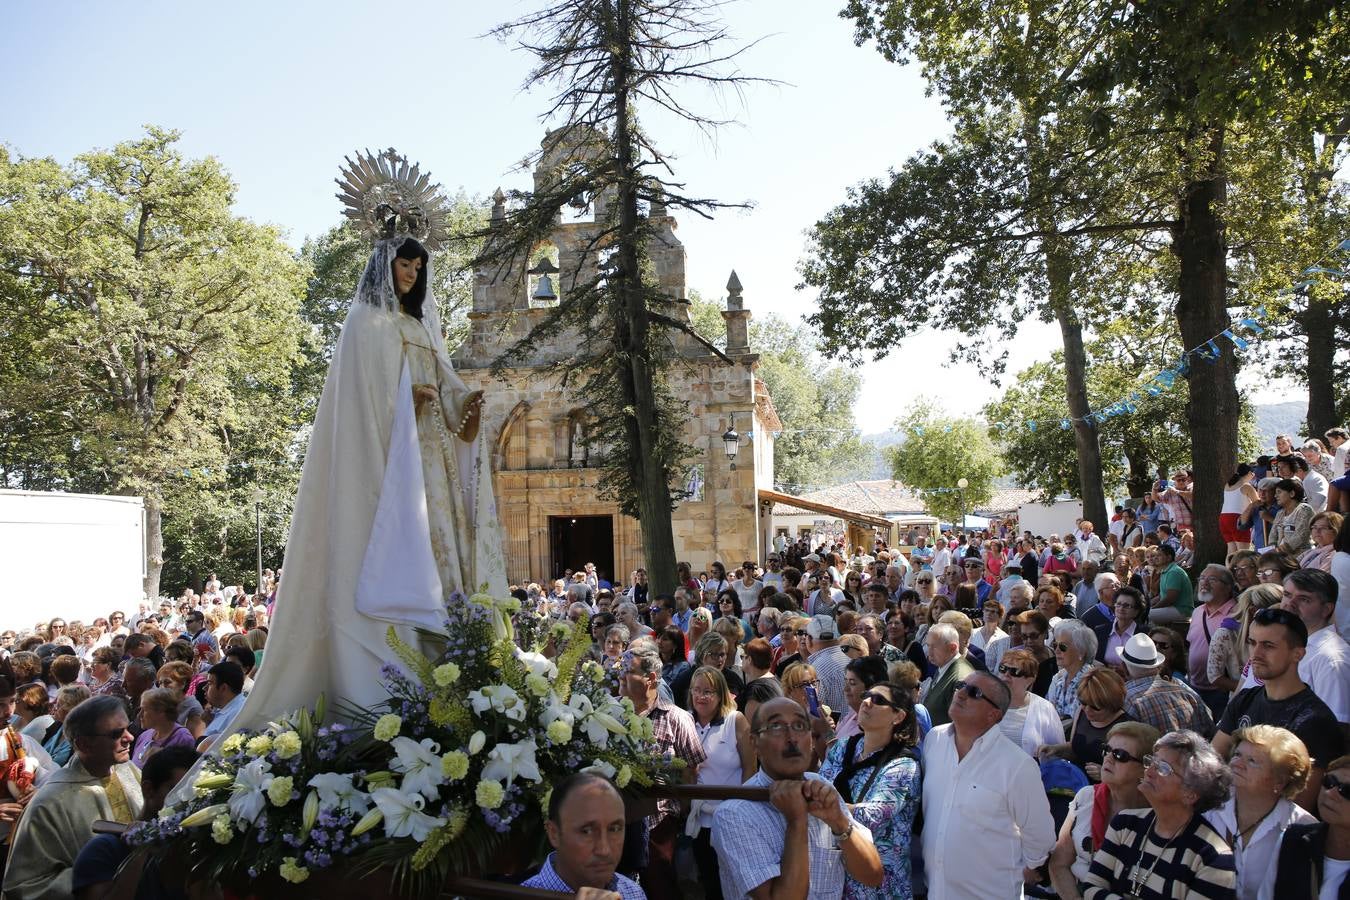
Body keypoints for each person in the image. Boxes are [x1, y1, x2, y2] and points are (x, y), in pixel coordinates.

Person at [220, 235, 506, 740]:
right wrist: (406, 399)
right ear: (385, 264)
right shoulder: (364, 324)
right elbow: (363, 399)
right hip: (387, 457)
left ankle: (447, 646)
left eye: (419, 265)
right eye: (404, 263)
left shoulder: (420, 324)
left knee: (445, 548)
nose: (413, 272)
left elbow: (445, 391)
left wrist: (464, 406)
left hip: (430, 462)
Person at [711, 697, 884, 899]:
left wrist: (839, 822)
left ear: (810, 738)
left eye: (800, 726)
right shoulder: (735, 815)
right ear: (754, 742)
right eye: (776, 726)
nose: (792, 737)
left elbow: (873, 876)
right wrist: (797, 821)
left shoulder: (821, 787)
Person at [922, 670, 1055, 898]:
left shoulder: (1017, 766)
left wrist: (1022, 870)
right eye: (960, 685)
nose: (960, 693)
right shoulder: (934, 740)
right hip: (935, 889)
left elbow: (1040, 838)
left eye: (973, 692)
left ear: (993, 714)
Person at [4, 696, 144, 900]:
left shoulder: (127, 769)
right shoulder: (50, 802)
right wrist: (93, 880)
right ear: (84, 744)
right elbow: (24, 885)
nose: (130, 737)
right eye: (116, 733)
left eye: (127, 728)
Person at [1213, 608, 1344, 814]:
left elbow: (1298, 808)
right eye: (1252, 643)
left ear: (1298, 654)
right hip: (1226, 816)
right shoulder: (1245, 700)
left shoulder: (1315, 720)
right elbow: (1212, 761)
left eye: (1268, 646)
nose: (1255, 654)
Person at [1081, 730, 1235, 898]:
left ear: (1190, 793)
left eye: (1163, 768)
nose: (1148, 772)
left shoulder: (1213, 858)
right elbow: (1091, 887)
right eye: (1152, 762)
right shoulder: (1125, 823)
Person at [819, 680, 921, 899]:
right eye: (867, 695)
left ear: (898, 716)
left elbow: (872, 816)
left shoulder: (903, 765)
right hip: (836, 876)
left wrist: (824, 807)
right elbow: (820, 788)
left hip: (879, 886)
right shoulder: (842, 747)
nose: (866, 702)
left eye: (878, 700)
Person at [621, 640, 704, 900]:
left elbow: (691, 772)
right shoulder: (609, 711)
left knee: (661, 890)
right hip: (616, 823)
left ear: (651, 678)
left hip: (659, 826)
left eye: (628, 670)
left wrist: (679, 820)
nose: (620, 675)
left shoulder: (677, 718)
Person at [68, 745, 199, 900]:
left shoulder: (194, 852)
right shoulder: (104, 850)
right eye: (179, 791)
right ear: (149, 790)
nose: (189, 801)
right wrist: (138, 854)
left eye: (198, 793)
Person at [1203, 725, 1316, 900]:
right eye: (1237, 755)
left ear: (1280, 780)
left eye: (1252, 761)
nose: (1236, 764)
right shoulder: (1209, 809)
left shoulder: (1303, 828)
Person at [1048, 721, 1159, 900]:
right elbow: (1059, 864)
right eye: (1107, 749)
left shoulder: (1157, 815)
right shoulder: (1086, 797)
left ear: (1145, 769)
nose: (1108, 758)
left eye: (1120, 755)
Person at [687, 666, 755, 900]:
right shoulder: (686, 722)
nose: (701, 696)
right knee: (709, 882)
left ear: (721, 694)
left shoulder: (735, 721)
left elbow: (750, 768)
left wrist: (742, 809)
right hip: (699, 820)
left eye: (708, 691)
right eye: (696, 690)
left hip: (731, 819)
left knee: (734, 882)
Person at [521, 773, 646, 898]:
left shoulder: (632, 892)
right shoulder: (519, 896)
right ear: (554, 833)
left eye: (614, 829)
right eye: (587, 831)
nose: (604, 850)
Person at [1283, 568, 1350, 723]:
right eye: (1287, 595)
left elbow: (1336, 728)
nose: (1290, 604)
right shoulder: (1293, 643)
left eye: (1304, 599)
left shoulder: (1331, 659)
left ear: (1326, 609)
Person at [1190, 563, 1240, 723]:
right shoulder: (1197, 612)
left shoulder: (1237, 614)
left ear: (1228, 587)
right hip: (1195, 688)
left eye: (1212, 580)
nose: (1204, 583)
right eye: (1202, 578)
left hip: (1223, 693)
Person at [996, 648, 1066, 756]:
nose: (1006, 675)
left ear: (1030, 679)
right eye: (1003, 668)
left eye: (1015, 671)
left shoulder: (1045, 709)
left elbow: (1058, 752)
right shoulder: (983, 704)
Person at [920, 622, 974, 729]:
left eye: (934, 647)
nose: (929, 652)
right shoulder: (943, 665)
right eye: (928, 645)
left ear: (952, 648)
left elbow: (961, 724)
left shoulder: (961, 677)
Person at [1047, 619, 1100, 722]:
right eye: (1055, 645)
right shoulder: (1058, 679)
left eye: (1062, 646)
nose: (1056, 650)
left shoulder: (1092, 682)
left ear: (1081, 651)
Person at [130, 688, 196, 768]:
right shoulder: (143, 736)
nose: (139, 715)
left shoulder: (183, 738)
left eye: (144, 710)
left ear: (161, 711)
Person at [835, 656, 889, 741]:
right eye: (846, 682)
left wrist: (826, 732)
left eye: (852, 683)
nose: (845, 689)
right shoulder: (853, 714)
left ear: (871, 688)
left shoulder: (874, 726)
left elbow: (839, 753)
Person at [197, 661, 246, 752]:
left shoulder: (237, 714)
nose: (204, 688)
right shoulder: (222, 709)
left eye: (210, 683)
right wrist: (208, 723)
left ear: (223, 688)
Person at [1148, 543, 1194, 626]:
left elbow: (1170, 598)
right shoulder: (1165, 571)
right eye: (1155, 555)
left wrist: (1153, 608)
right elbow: (1162, 595)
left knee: (1147, 615)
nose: (1155, 558)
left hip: (1181, 610)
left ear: (1168, 557)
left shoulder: (1174, 572)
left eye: (1159, 555)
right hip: (1172, 608)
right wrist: (1148, 603)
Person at [1223, 465, 1261, 555]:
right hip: (1237, 518)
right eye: (1253, 474)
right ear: (1249, 473)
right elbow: (1257, 502)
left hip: (1223, 518)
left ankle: (1229, 568)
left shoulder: (1228, 485)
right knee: (1242, 553)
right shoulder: (1246, 486)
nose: (1253, 476)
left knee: (1231, 551)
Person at [1272, 478, 1316, 555]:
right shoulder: (1280, 513)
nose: (1275, 496)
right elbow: (1273, 535)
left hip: (1302, 556)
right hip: (1281, 557)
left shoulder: (1304, 509)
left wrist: (1280, 550)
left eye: (1279, 492)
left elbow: (1301, 536)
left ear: (1292, 493)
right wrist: (1271, 547)